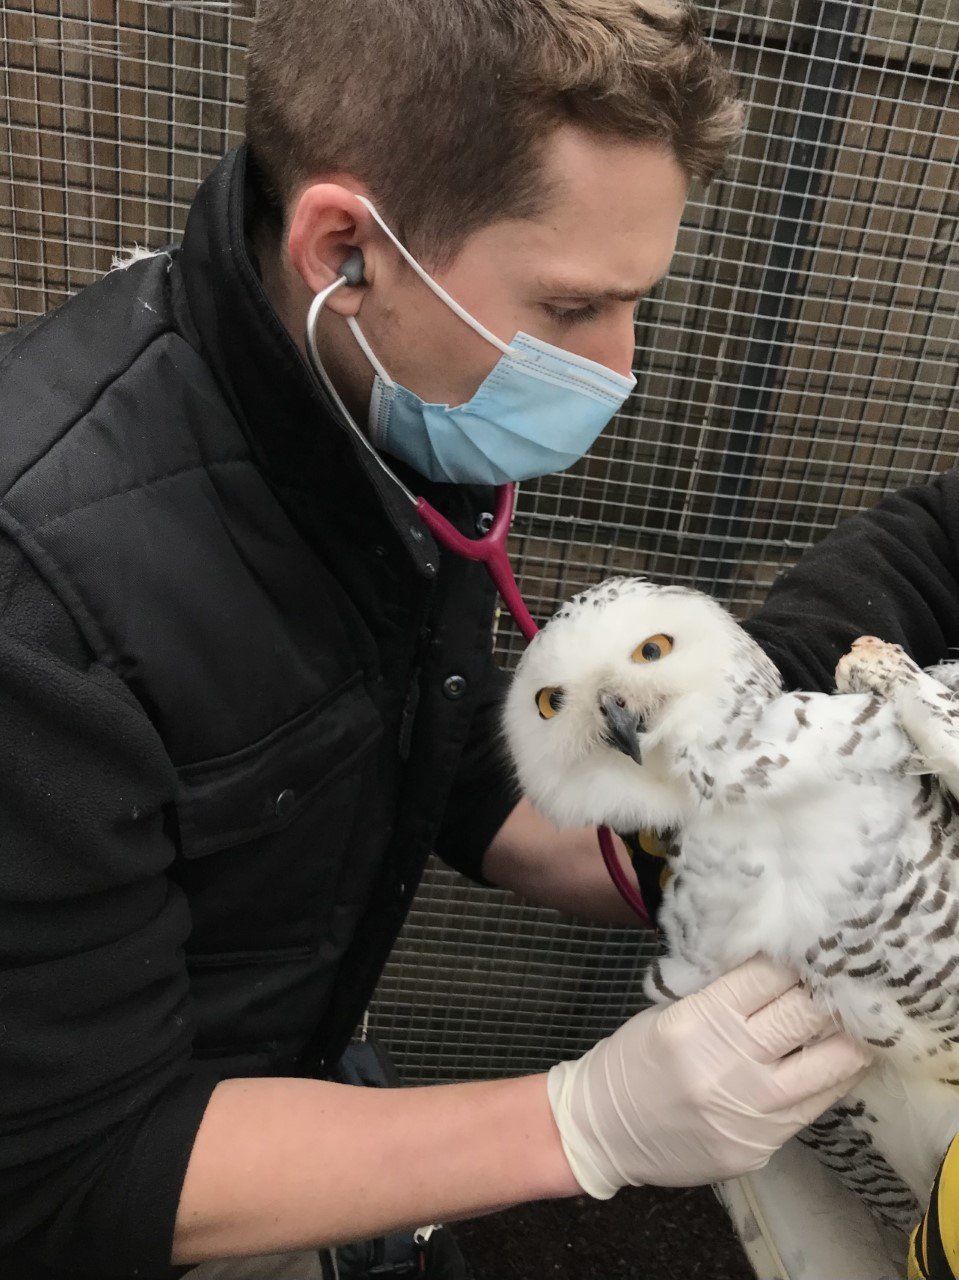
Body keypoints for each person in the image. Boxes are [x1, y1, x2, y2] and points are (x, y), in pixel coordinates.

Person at [0, 3, 871, 1278]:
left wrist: (696, 846)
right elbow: (75, 1174)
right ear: (343, 247)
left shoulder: (372, 401)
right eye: (572, 307)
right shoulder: (43, 608)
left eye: (636, 303)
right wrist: (586, 1119)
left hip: (295, 1053)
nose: (620, 367)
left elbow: (446, 753)